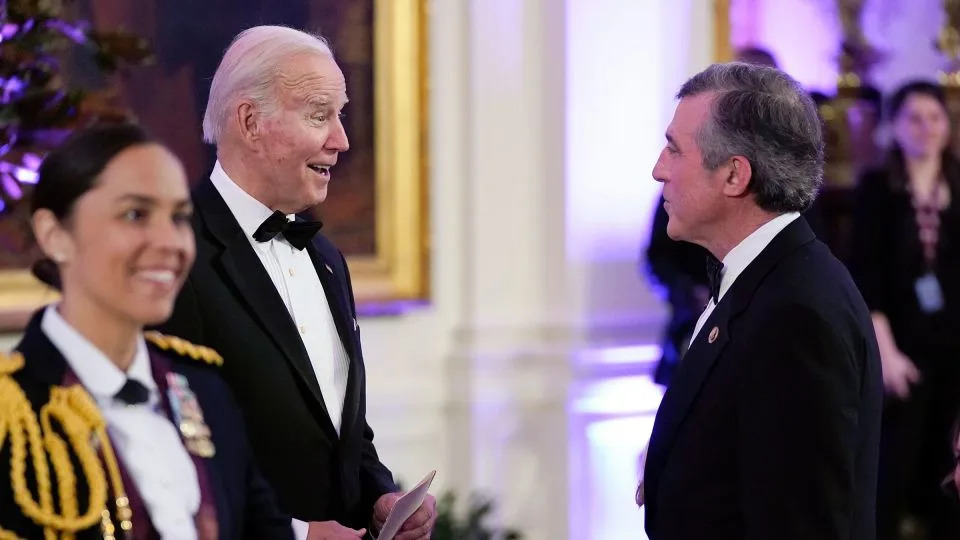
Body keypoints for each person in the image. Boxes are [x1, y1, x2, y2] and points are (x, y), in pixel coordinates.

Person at [157, 25, 436, 539]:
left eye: (340, 115)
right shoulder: (176, 256)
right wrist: (299, 533)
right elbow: (170, 455)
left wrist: (379, 497)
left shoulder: (326, 258)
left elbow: (338, 430)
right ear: (250, 121)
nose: (341, 139)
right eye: (318, 114)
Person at [0, 123, 297, 539]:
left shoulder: (205, 388)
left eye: (178, 217)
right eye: (135, 214)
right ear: (54, 236)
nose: (170, 242)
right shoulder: (12, 418)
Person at [638, 62, 882, 539]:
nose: (658, 170)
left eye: (674, 149)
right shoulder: (763, 280)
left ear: (734, 175)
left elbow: (800, 521)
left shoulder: (796, 314)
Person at [849, 80, 960, 540]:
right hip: (899, 350)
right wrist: (886, 354)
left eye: (935, 118)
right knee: (893, 465)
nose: (926, 128)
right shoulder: (876, 190)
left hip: (954, 351)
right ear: (894, 127)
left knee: (948, 471)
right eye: (914, 118)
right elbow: (866, 277)